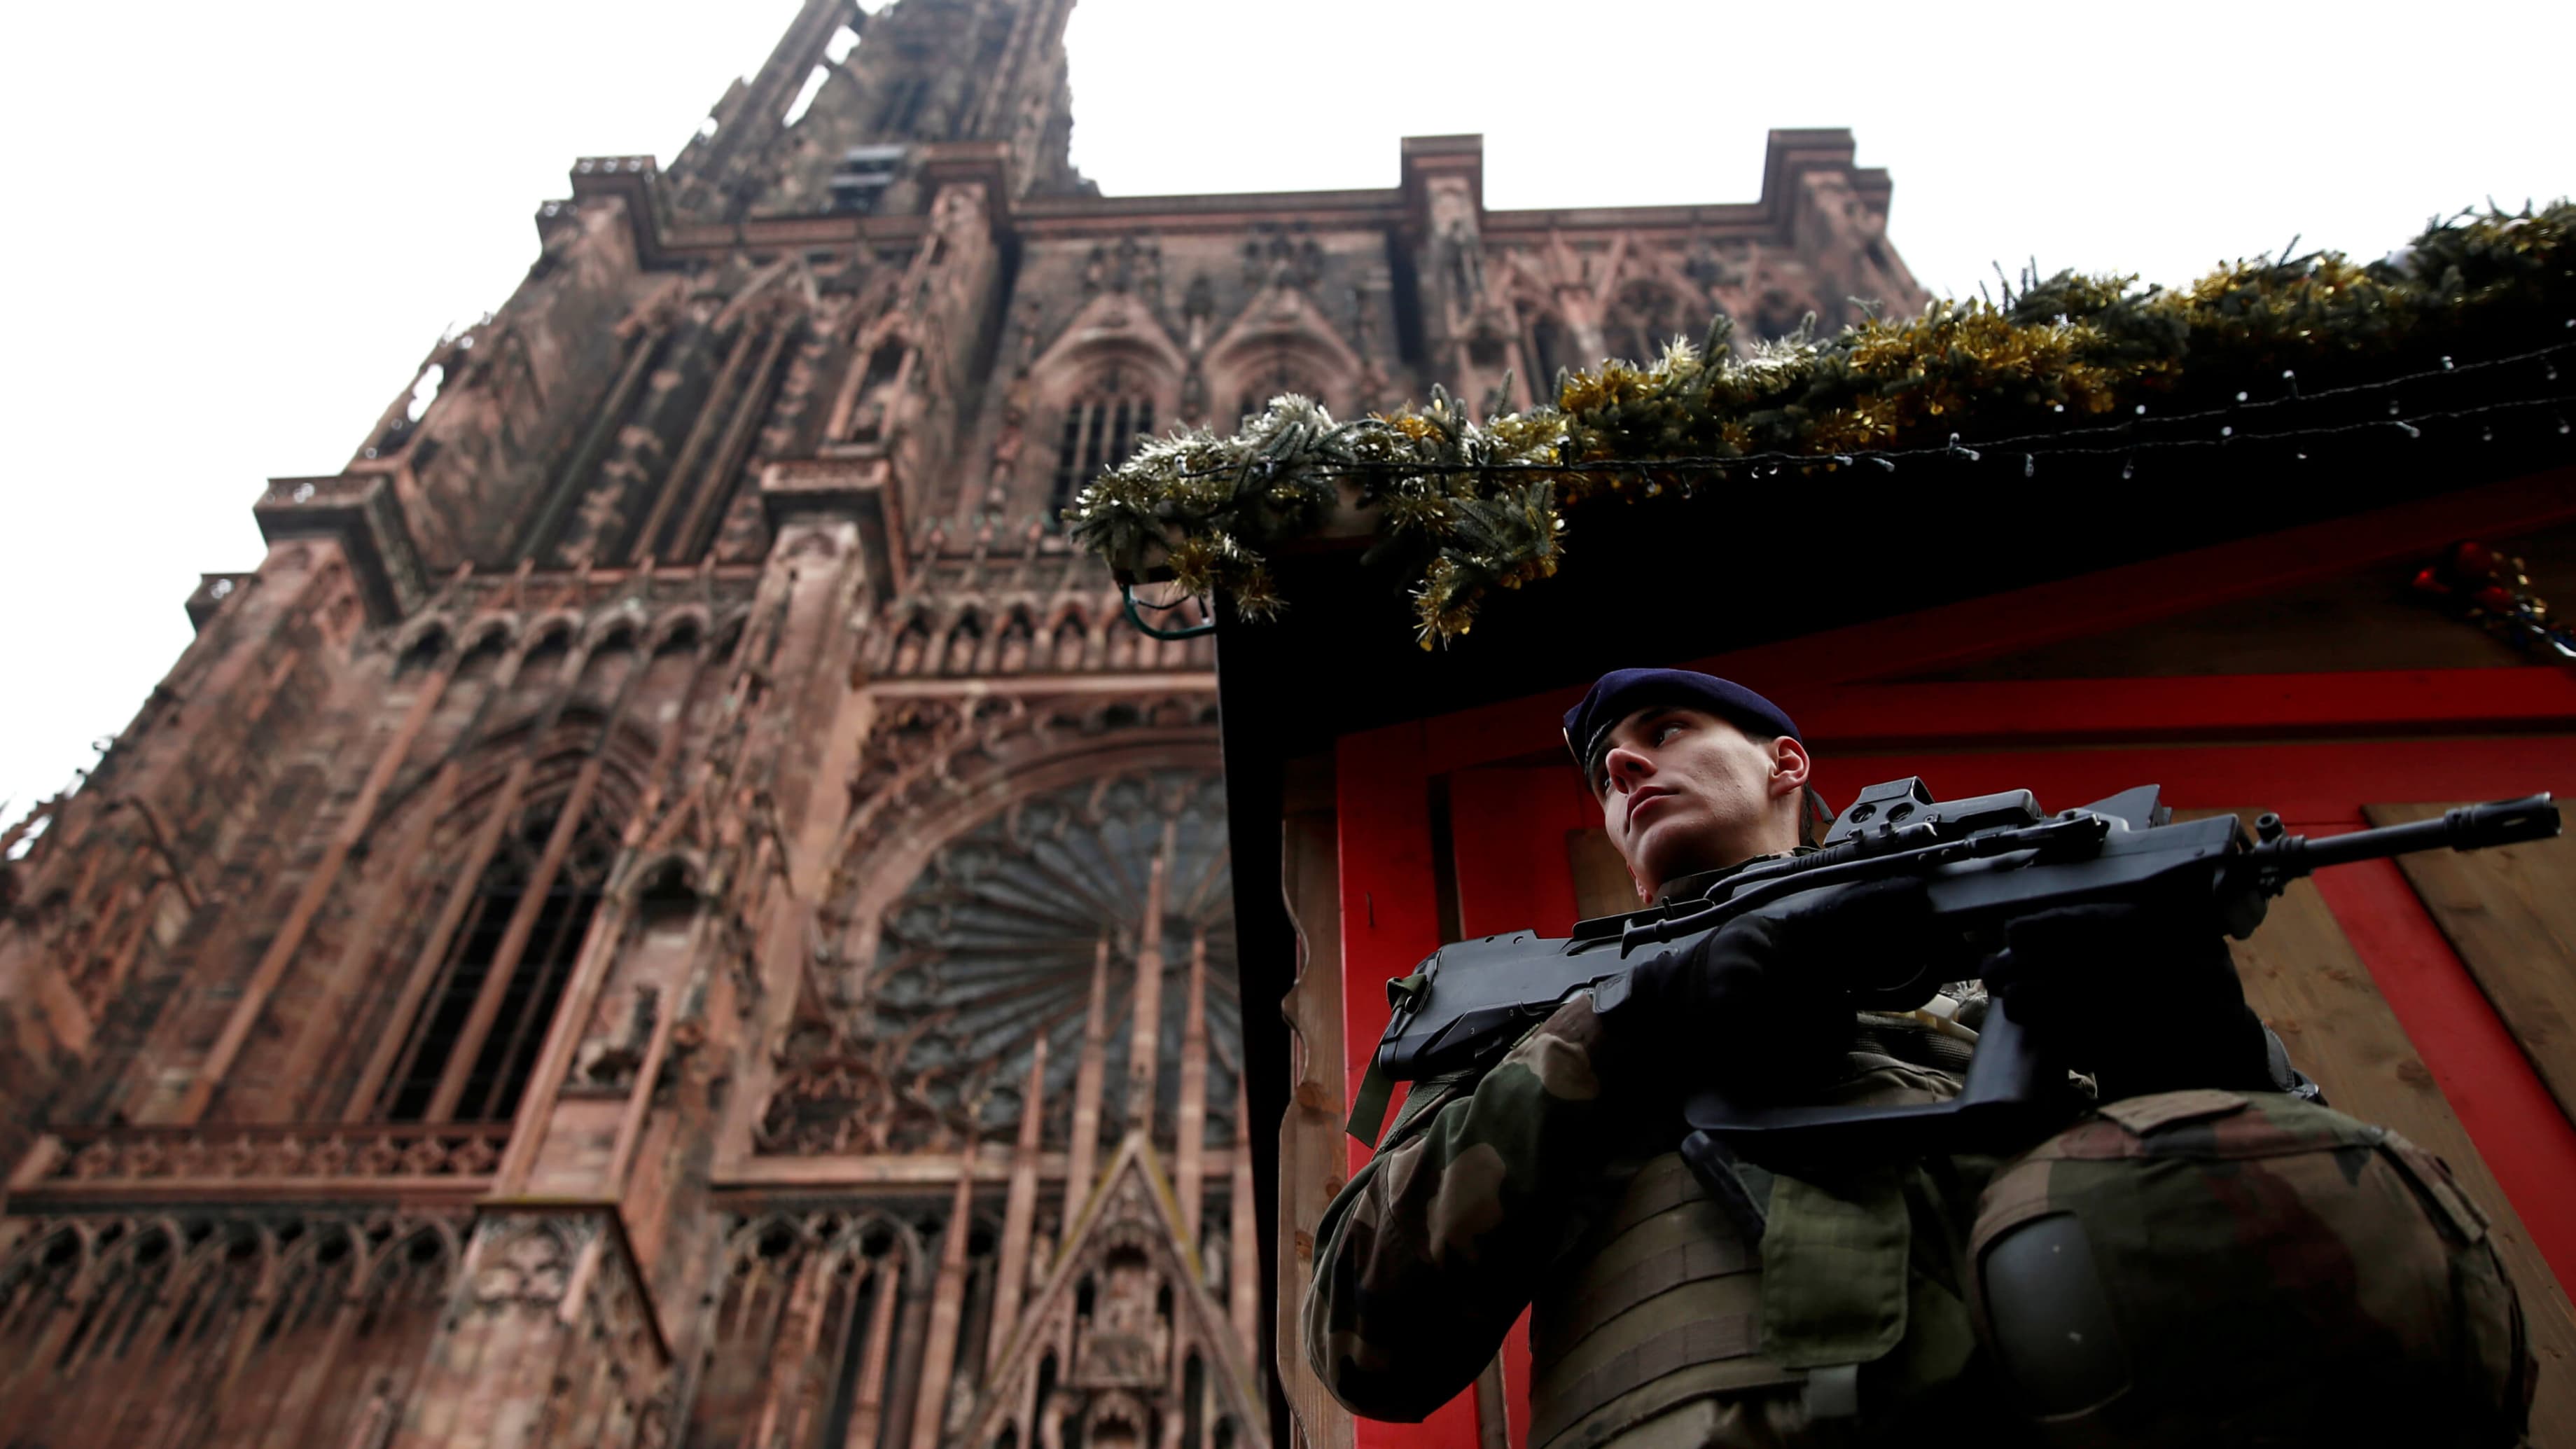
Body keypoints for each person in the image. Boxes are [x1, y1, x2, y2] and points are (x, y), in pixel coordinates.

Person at [1303, 668, 2531, 1449]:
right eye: (1606, 772)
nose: (1623, 770)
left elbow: (2311, 1251)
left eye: (1664, 730)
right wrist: (1637, 1021)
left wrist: (2191, 1045)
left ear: (1789, 762)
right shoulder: (1552, 1016)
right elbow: (1366, 1337)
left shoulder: (1992, 960)